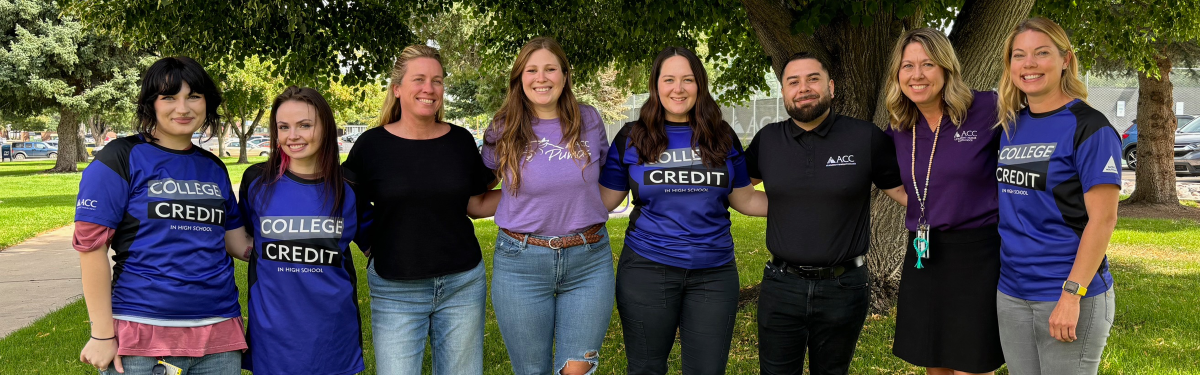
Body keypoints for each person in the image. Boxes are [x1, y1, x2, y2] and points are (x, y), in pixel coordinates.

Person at [598, 46, 767, 375]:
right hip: (647, 271)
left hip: (714, 274)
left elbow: (746, 199)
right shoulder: (631, 137)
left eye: (688, 80)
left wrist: (811, 204)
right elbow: (603, 201)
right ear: (656, 85)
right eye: (669, 79)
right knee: (646, 368)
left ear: (700, 85)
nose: (678, 88)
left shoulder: (722, 136)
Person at [75, 56, 248, 375]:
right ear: (150, 103)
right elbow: (90, 248)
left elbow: (237, 243)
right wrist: (102, 333)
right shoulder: (119, 158)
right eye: (169, 97)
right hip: (141, 336)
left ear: (207, 103)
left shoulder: (214, 168)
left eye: (193, 96)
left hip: (219, 334)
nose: (183, 108)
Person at [745, 52, 906, 375]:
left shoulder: (865, 137)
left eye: (812, 79)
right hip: (781, 286)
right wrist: (788, 209)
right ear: (784, 92)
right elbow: (740, 191)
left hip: (843, 288)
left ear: (831, 87)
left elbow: (905, 193)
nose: (803, 88)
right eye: (793, 82)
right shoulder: (768, 141)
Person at [342, 44, 499, 375]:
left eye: (437, 80)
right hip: (396, 287)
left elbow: (474, 202)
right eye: (419, 79)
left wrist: (536, 191)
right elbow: (344, 201)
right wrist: (370, 241)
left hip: (462, 284)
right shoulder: (372, 146)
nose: (429, 88)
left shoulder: (459, 141)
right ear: (397, 89)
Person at [994, 17, 1119, 375]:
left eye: (1041, 53)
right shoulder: (1010, 126)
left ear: (1066, 59)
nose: (1029, 64)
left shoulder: (1090, 127)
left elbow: (1104, 219)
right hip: (1012, 292)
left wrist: (1071, 293)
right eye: (1019, 55)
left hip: (1066, 292)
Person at [482, 37, 613, 375]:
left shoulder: (590, 119)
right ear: (519, 78)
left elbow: (608, 181)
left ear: (565, 75)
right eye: (531, 70)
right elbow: (477, 190)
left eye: (550, 69)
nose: (541, 78)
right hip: (520, 263)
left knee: (577, 370)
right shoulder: (503, 127)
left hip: (589, 261)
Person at [883, 28, 1006, 375]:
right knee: (933, 360)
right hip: (924, 254)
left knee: (970, 363)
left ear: (947, 68)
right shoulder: (900, 126)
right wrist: (920, 205)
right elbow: (892, 180)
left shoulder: (986, 108)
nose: (917, 75)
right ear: (897, 75)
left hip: (978, 256)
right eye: (907, 66)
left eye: (928, 64)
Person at [233, 86, 370, 375]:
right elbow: (241, 236)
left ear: (325, 127)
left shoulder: (350, 185)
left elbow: (375, 245)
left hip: (333, 336)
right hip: (273, 337)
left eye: (304, 125)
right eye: (284, 127)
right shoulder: (257, 181)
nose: (292, 136)